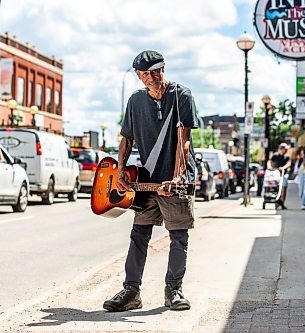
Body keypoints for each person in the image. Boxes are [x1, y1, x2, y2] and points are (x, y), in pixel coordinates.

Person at [103, 50, 198, 312]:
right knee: (139, 234)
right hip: (146, 181)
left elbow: (184, 139)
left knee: (178, 235)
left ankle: (174, 291)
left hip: (175, 181)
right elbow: (127, 139)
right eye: (145, 74)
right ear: (138, 75)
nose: (152, 78)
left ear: (163, 69)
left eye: (156, 71)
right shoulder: (135, 101)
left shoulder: (181, 96)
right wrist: (120, 171)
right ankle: (131, 292)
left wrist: (178, 174)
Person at [267, 143, 291, 209]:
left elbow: (289, 163)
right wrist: (269, 167)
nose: (286, 150)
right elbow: (269, 161)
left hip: (283, 174)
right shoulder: (275, 155)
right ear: (281, 149)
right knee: (275, 188)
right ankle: (277, 201)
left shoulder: (287, 156)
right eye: (285, 149)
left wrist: (283, 167)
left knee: (283, 188)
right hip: (275, 174)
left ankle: (282, 202)